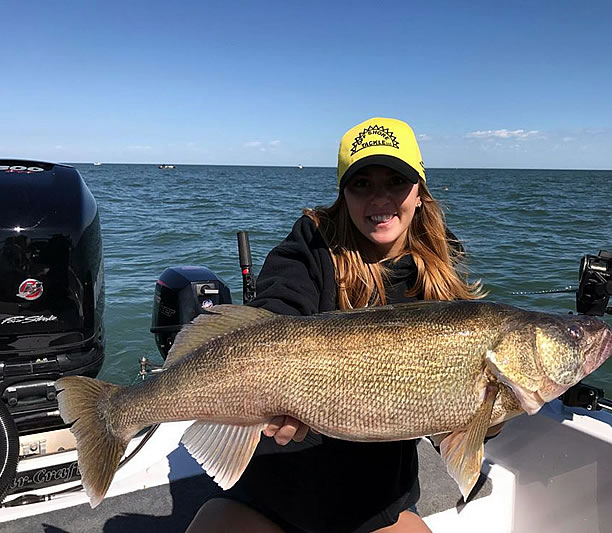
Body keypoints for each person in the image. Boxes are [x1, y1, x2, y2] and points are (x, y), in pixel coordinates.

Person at [186, 117, 485, 533]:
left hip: (376, 505)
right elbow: (277, 309)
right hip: (274, 491)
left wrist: (488, 419)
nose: (379, 198)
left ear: (419, 191)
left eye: (396, 181)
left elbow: (451, 430)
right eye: (362, 183)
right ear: (344, 194)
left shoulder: (443, 292)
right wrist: (273, 386)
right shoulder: (309, 247)